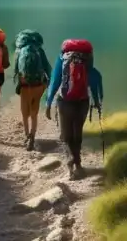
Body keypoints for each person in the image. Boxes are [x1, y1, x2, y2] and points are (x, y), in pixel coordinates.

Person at [45, 39, 103, 179]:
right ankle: (78, 165)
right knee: (77, 134)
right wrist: (97, 101)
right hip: (82, 102)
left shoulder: (62, 59)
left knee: (66, 135)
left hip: (64, 102)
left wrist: (48, 103)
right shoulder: (87, 60)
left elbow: (55, 81)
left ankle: (71, 167)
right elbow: (95, 80)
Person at [13, 30, 51, 151]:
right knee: (34, 112)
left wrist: (18, 79)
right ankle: (32, 137)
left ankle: (26, 136)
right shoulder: (39, 50)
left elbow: (15, 69)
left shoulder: (19, 50)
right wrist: (49, 82)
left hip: (25, 85)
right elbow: (47, 67)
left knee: (24, 113)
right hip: (39, 84)